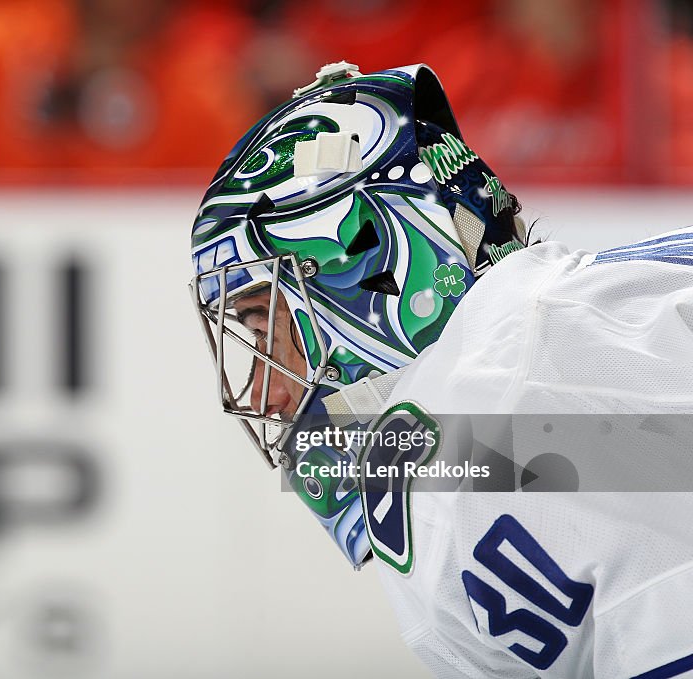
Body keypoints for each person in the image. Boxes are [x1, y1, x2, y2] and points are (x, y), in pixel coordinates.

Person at [188, 61, 693, 678]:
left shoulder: (484, 428)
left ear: (371, 268)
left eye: (266, 325)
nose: (268, 396)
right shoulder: (586, 314)